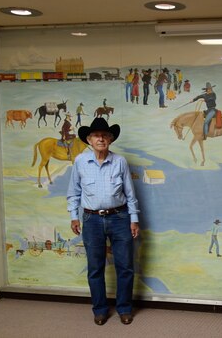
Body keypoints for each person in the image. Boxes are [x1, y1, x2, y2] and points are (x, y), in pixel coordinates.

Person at [67, 117, 140, 326]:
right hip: (91, 219)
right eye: (96, 135)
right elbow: (73, 193)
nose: (101, 138)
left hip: (120, 217)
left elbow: (130, 193)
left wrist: (133, 219)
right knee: (95, 267)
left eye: (105, 135)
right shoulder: (80, 161)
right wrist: (74, 216)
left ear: (110, 139)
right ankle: (99, 310)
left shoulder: (120, 162)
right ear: (89, 139)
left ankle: (124, 308)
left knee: (125, 266)